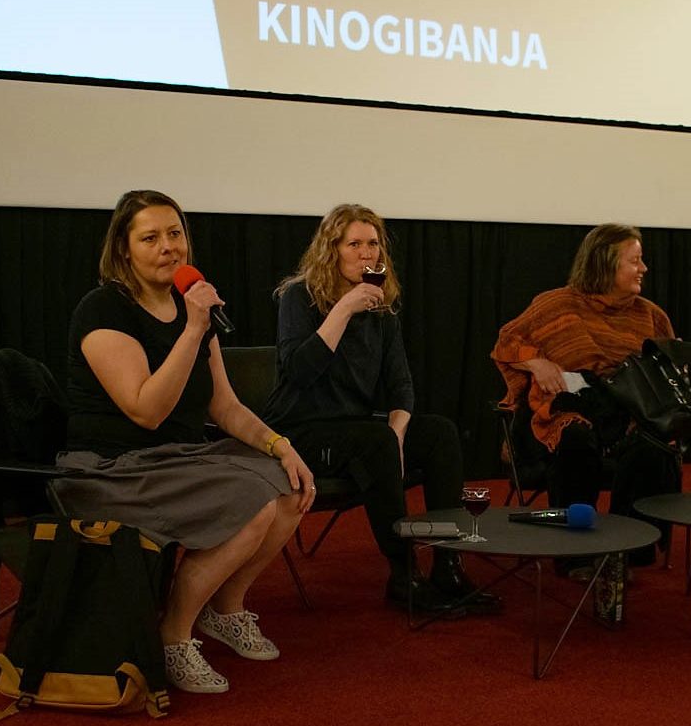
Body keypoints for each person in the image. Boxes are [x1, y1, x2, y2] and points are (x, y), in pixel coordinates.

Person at [54, 190, 317, 694]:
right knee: (251, 501)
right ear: (124, 248)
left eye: (174, 233)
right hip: (113, 467)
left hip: (180, 459)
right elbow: (146, 411)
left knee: (290, 487)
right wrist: (193, 330)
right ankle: (172, 636)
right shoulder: (103, 309)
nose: (167, 247)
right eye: (150, 238)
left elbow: (225, 407)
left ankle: (225, 608)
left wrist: (280, 445)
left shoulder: (191, 307)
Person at [263, 203, 496, 616]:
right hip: (300, 431)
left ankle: (448, 564)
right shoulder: (299, 296)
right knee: (375, 440)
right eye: (354, 244)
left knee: (439, 432)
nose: (366, 253)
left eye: (372, 244)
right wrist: (344, 308)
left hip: (354, 429)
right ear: (332, 250)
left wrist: (398, 434)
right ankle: (404, 574)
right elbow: (299, 372)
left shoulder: (382, 309)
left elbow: (401, 385)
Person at [491, 223, 682, 567]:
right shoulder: (557, 305)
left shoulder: (652, 317)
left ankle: (626, 547)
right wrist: (536, 363)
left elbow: (670, 378)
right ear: (605, 264)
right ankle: (575, 553)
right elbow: (507, 341)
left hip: (627, 420)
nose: (644, 268)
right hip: (563, 415)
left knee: (651, 446)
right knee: (576, 439)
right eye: (634, 261)